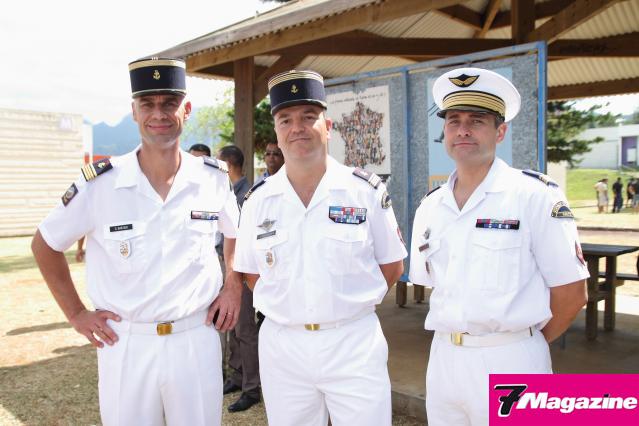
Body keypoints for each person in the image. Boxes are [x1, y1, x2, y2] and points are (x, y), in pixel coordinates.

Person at [31, 57, 242, 426]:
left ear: (186, 110)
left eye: (169, 103)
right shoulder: (100, 185)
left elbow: (237, 234)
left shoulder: (212, 178)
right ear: (134, 111)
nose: (158, 114)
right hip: (127, 344)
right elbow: (45, 244)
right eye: (148, 104)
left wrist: (233, 285)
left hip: (195, 337)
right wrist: (77, 314)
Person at [409, 67, 588, 426]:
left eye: (476, 121)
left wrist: (526, 344)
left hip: (511, 359)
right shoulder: (431, 205)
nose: (463, 130)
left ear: (500, 132)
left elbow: (572, 294)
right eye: (454, 121)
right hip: (444, 358)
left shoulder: (534, 196)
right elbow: (431, 286)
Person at [234, 70, 407, 426]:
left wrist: (345, 305)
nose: (297, 127)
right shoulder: (258, 201)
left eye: (308, 117)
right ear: (277, 132)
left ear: (328, 126)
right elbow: (252, 273)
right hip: (284, 345)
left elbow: (392, 266)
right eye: (286, 119)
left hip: (353, 342)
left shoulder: (364, 191)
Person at [217, 145, 261, 412]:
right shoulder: (228, 192)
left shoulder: (248, 195)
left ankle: (251, 387)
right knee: (231, 325)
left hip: (242, 270)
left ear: (228, 166)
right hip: (226, 265)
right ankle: (236, 376)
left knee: (244, 328)